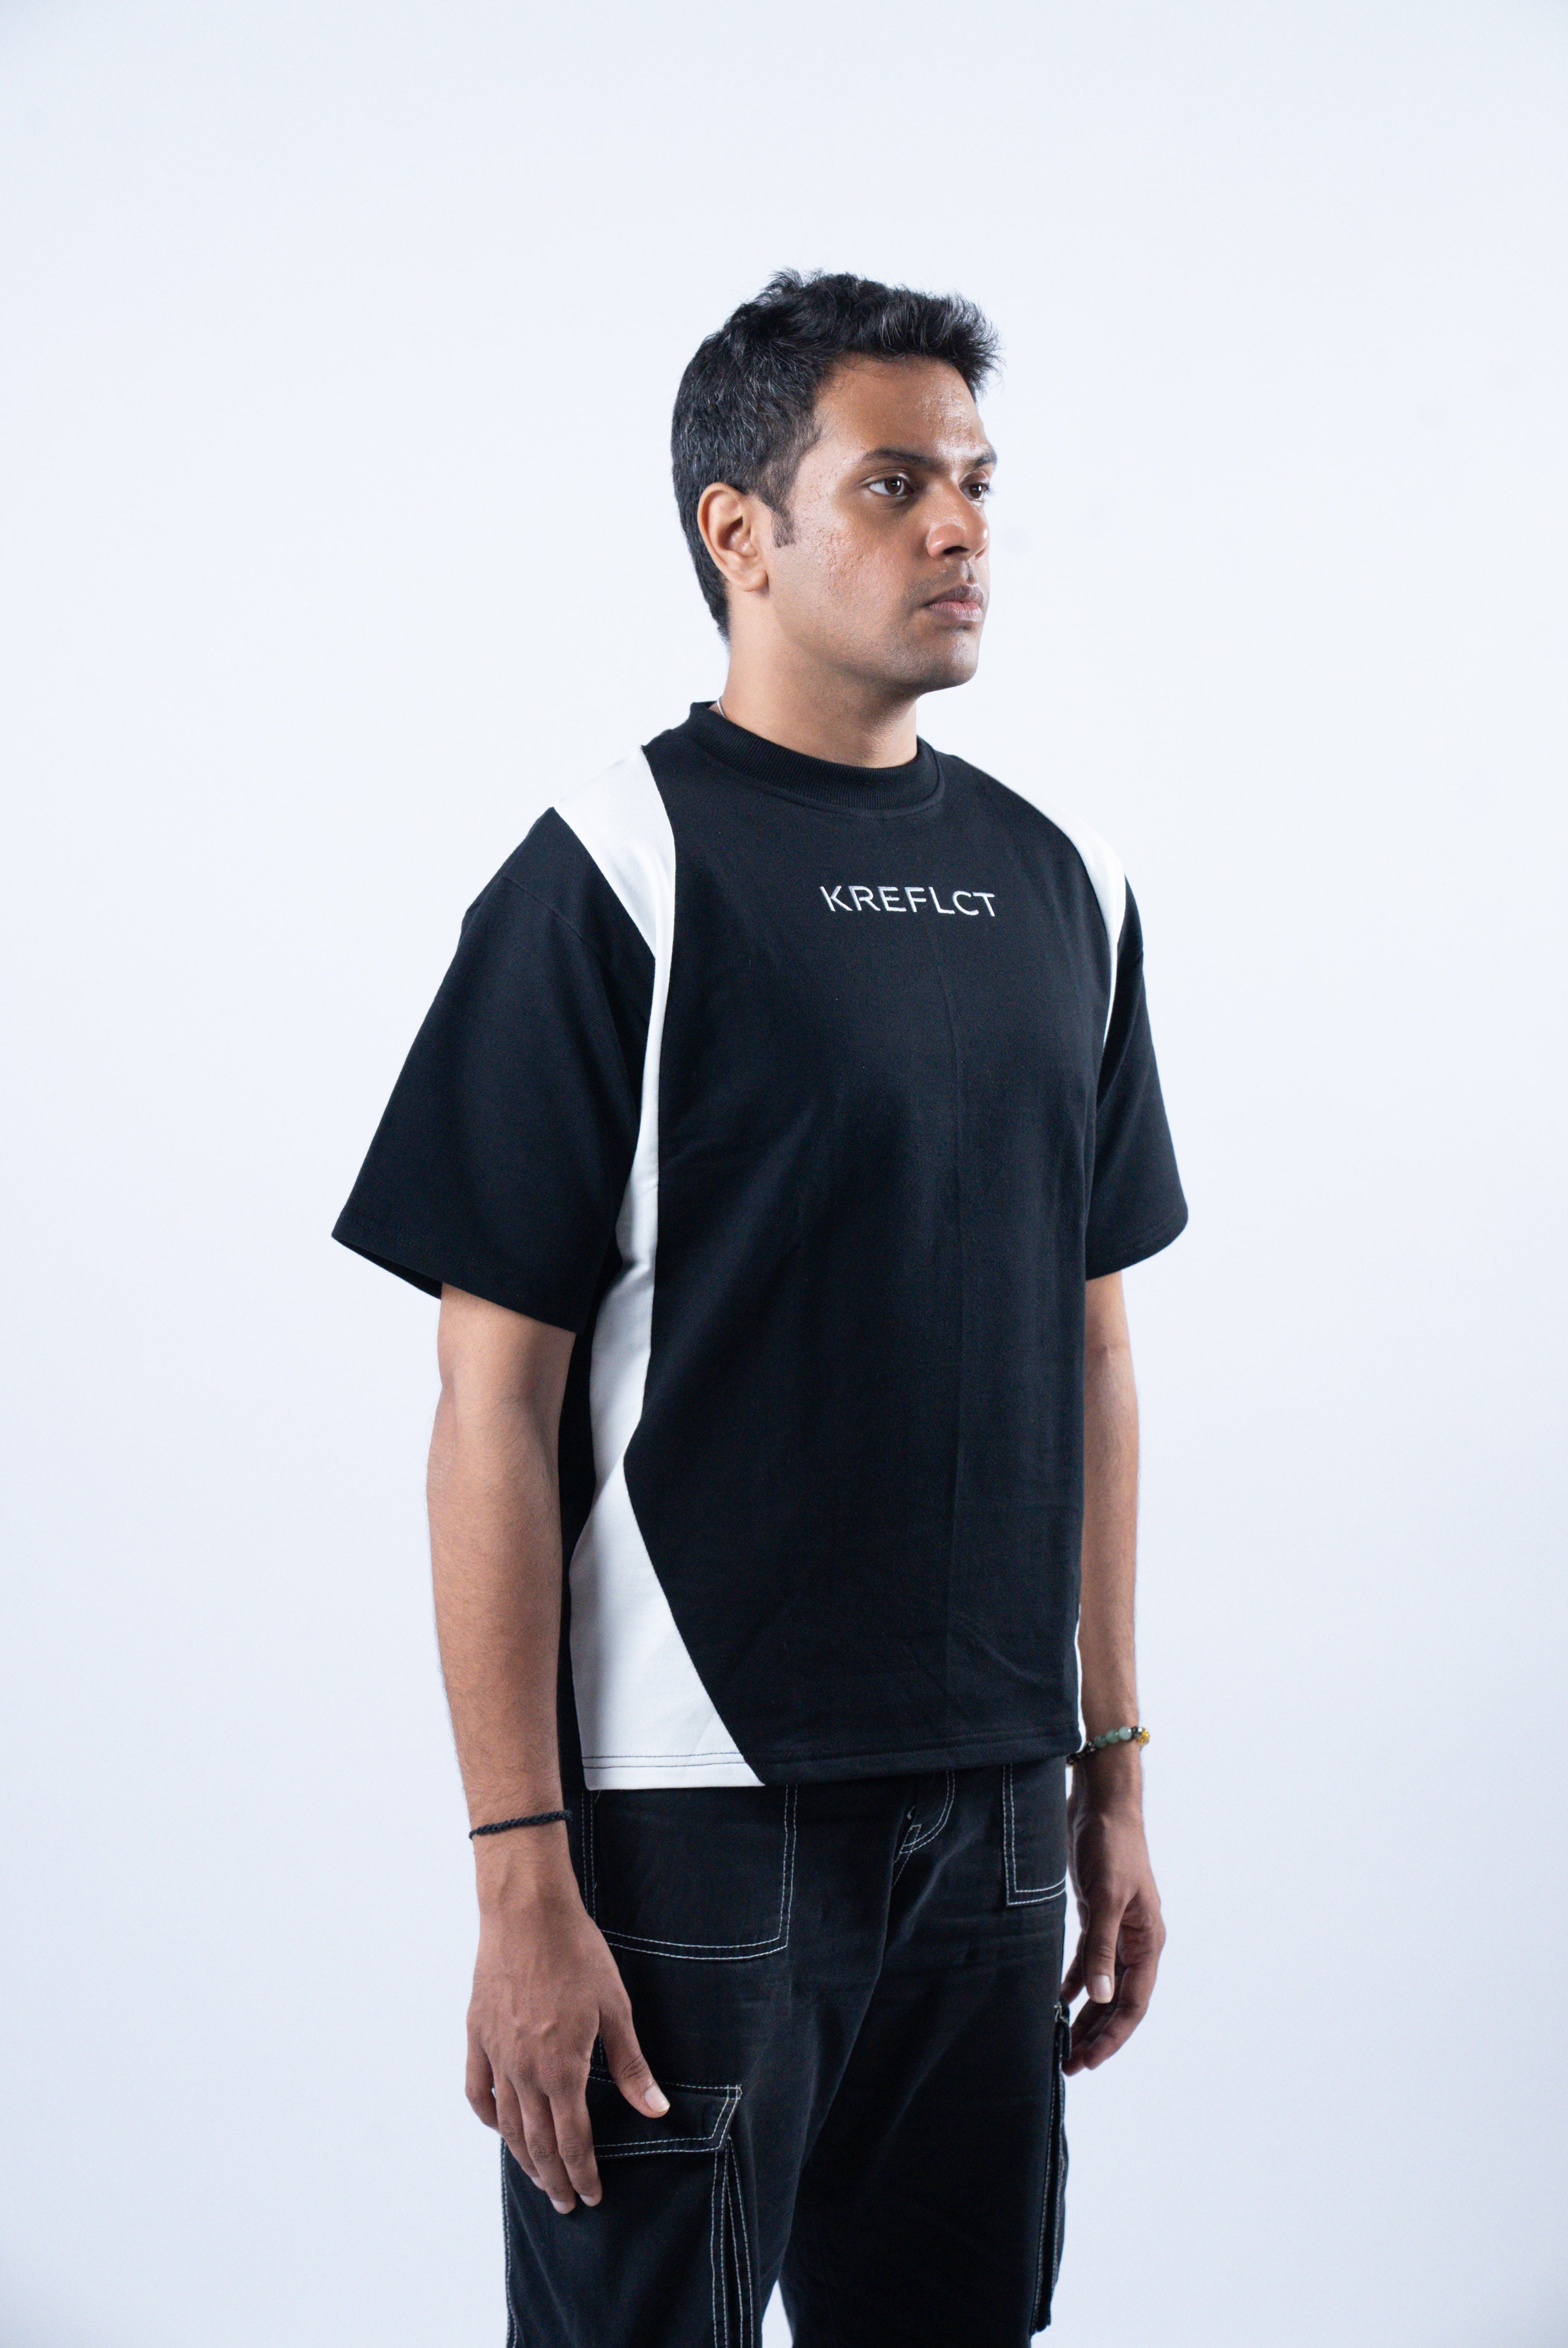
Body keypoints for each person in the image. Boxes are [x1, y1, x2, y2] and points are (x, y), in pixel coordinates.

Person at [333, 269, 1188, 2347]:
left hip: (1001, 1807)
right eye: (894, 483)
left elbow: (1094, 1351)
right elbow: (487, 1405)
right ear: (742, 530)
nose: (960, 526)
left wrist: (1113, 1768)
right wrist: (521, 1872)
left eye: (978, 482)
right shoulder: (612, 875)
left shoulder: (1065, 886)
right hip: (695, 1811)